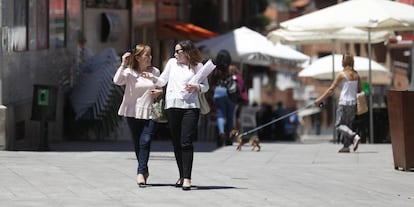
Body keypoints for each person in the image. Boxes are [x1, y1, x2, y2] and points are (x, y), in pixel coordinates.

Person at [142, 40, 209, 191]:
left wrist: (196, 86)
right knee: (177, 142)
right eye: (175, 51)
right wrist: (152, 78)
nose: (175, 54)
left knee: (186, 141)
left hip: (190, 107)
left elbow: (206, 87)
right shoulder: (172, 63)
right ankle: (181, 174)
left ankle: (187, 178)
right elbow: (163, 80)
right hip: (172, 106)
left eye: (178, 51)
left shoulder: (198, 66)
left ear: (187, 52)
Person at [113, 44, 162, 187]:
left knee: (145, 140)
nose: (150, 58)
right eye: (147, 55)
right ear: (138, 57)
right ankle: (144, 170)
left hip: (149, 111)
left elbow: (160, 86)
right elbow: (116, 81)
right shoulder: (129, 72)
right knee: (137, 143)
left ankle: (140, 172)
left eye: (150, 55)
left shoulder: (155, 71)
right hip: (132, 111)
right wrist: (123, 63)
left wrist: (159, 92)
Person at [314, 52, 361, 153]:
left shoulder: (342, 74)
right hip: (353, 104)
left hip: (344, 103)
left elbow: (331, 89)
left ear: (344, 61)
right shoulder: (357, 75)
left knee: (339, 125)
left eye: (342, 60)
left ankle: (354, 136)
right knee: (347, 125)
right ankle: (346, 146)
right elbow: (359, 90)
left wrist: (319, 99)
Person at [210, 50, 235, 146]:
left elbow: (211, 82)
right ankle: (229, 138)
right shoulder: (232, 69)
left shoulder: (215, 69)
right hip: (230, 93)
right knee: (230, 116)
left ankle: (221, 132)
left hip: (218, 92)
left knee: (220, 114)